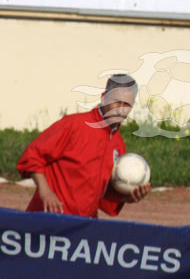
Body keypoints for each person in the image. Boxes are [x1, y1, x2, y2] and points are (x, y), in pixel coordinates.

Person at [17, 73, 151, 217]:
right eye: (116, 102)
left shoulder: (118, 144)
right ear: (104, 97)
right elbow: (32, 155)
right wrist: (45, 192)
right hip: (49, 217)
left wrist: (128, 197)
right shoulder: (74, 125)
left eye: (127, 105)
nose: (120, 109)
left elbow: (102, 197)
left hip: (83, 227)